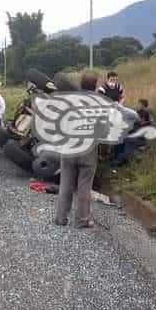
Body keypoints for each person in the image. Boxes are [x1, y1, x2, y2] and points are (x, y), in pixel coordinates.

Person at [54, 72, 100, 228]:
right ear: (95, 86)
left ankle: (61, 218)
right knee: (84, 187)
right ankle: (82, 220)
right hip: (88, 150)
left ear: (81, 84)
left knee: (65, 184)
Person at [111, 99, 152, 167]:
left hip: (136, 140)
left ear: (143, 119)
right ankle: (116, 157)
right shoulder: (136, 121)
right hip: (131, 138)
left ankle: (116, 163)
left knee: (127, 147)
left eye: (139, 118)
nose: (137, 119)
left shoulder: (146, 126)